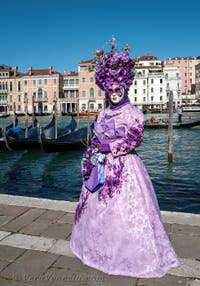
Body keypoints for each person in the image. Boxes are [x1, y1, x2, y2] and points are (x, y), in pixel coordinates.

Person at [70, 40, 180, 279]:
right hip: (101, 167)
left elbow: (135, 139)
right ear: (105, 88)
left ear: (125, 87)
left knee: (126, 212)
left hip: (125, 168)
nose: (114, 91)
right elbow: (97, 134)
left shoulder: (133, 113)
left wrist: (110, 146)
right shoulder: (103, 112)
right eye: (110, 88)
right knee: (97, 210)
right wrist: (95, 148)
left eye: (118, 87)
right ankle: (95, 248)